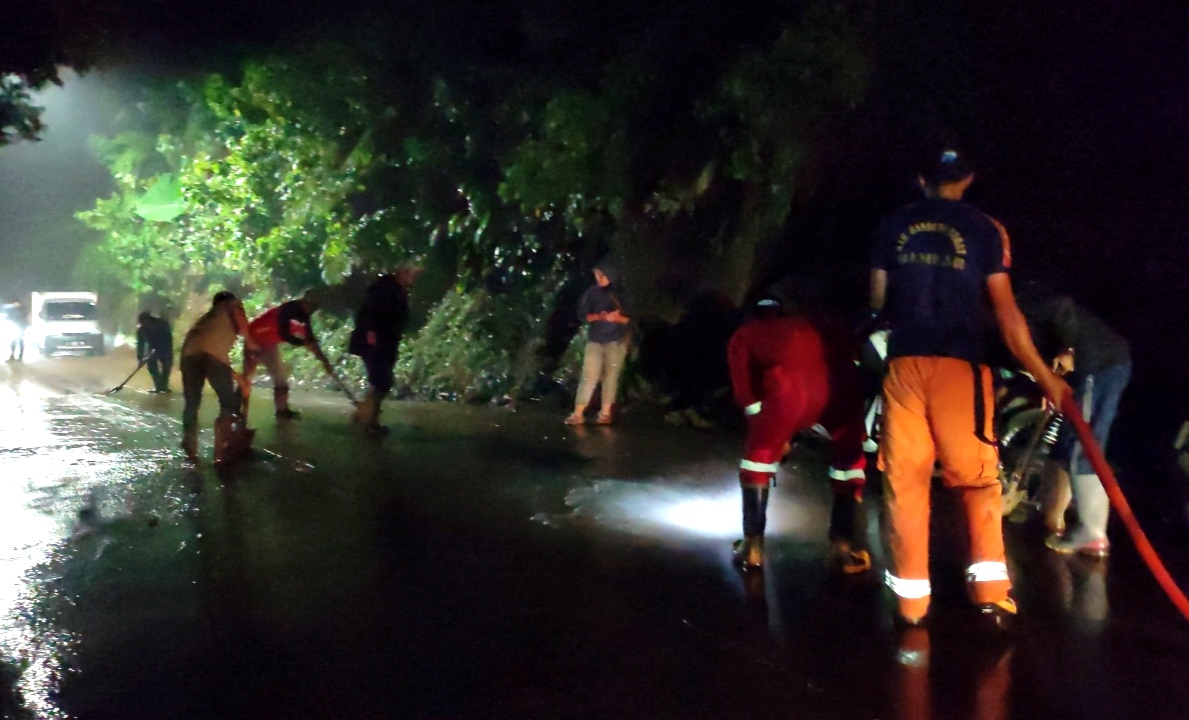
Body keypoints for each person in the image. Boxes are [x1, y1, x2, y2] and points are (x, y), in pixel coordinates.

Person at [869, 148, 1071, 628]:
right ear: (969, 179)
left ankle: (910, 603)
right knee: (977, 479)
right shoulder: (984, 229)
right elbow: (1006, 313)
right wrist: (1046, 378)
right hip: (960, 367)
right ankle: (989, 593)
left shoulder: (891, 226)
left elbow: (878, 299)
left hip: (905, 363)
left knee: (905, 482)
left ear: (922, 179)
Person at [726, 295, 870, 572]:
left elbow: (745, 390)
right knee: (849, 463)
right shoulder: (814, 324)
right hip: (840, 389)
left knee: (758, 459)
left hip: (788, 392)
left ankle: (752, 547)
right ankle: (842, 549)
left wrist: (767, 432)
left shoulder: (744, 334)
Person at [1013, 280, 1131, 557]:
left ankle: (1093, 534)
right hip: (1089, 369)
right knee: (1068, 442)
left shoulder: (1016, 299)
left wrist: (1068, 350)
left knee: (1083, 445)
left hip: (1097, 365)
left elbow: (1063, 308)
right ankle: (1057, 521)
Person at [179, 291, 257, 462]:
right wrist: (250, 343)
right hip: (213, 355)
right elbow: (246, 342)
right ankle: (223, 448)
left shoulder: (208, 317)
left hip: (187, 355)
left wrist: (239, 378)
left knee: (192, 403)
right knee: (227, 402)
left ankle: (190, 445)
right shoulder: (233, 305)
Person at [348, 263, 419, 436]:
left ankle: (365, 415)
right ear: (402, 273)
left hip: (386, 341)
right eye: (410, 274)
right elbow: (369, 311)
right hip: (374, 341)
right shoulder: (383, 288)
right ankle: (370, 421)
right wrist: (371, 332)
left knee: (380, 381)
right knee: (381, 380)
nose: (412, 278)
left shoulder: (398, 290)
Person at [565, 259, 632, 426]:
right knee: (589, 376)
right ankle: (578, 413)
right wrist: (598, 317)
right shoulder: (592, 293)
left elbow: (631, 319)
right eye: (596, 275)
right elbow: (583, 314)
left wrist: (617, 318)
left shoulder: (622, 294)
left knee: (611, 377)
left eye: (602, 275)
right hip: (595, 340)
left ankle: (605, 413)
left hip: (616, 341)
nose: (599, 278)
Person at [244, 290, 331, 419]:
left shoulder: (304, 316)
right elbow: (285, 334)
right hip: (254, 339)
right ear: (304, 301)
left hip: (270, 344)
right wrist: (303, 343)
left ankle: (282, 411)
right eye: (311, 306)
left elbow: (310, 340)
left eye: (315, 307)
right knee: (246, 379)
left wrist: (325, 362)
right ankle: (237, 410)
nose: (312, 310)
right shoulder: (287, 310)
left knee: (281, 381)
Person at [136, 311, 174, 393]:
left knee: (167, 367)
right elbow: (140, 345)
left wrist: (161, 349)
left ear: (150, 320)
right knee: (152, 365)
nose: (145, 325)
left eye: (146, 322)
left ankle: (164, 386)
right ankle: (158, 386)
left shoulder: (162, 324)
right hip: (153, 347)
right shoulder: (142, 330)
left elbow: (168, 337)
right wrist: (140, 359)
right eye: (143, 323)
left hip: (166, 346)